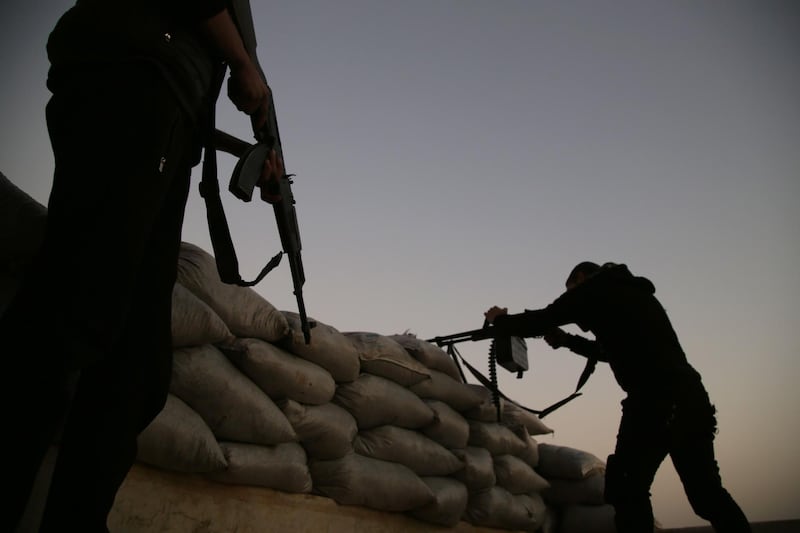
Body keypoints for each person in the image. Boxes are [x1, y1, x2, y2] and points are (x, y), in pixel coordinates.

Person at [0, 1, 282, 531]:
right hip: (134, 82)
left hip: (165, 108)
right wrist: (243, 66)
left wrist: (263, 143)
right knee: (74, 313)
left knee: (137, 365)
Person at [484, 261, 751, 533]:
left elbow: (543, 318)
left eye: (571, 290)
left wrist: (500, 320)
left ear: (581, 278)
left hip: (655, 401)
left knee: (626, 490)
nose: (574, 305)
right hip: (690, 398)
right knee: (707, 496)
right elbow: (607, 350)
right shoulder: (629, 294)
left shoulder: (594, 289)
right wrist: (565, 340)